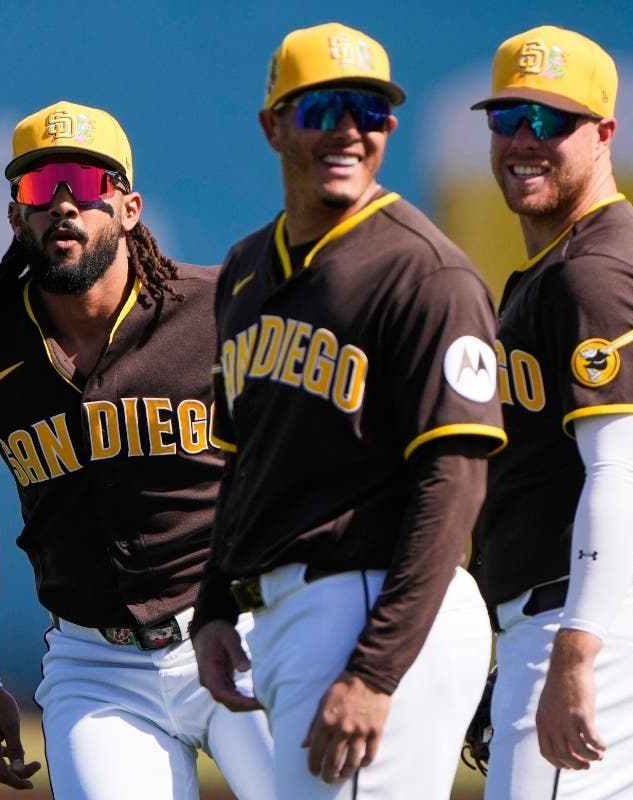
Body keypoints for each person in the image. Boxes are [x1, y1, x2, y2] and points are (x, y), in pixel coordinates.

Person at [0, 100, 273, 798]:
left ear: (128, 208)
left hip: (239, 634)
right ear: (17, 217)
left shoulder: (219, 310)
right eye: (41, 187)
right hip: (96, 666)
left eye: (85, 181)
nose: (64, 203)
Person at [188, 21, 506, 799]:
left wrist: (375, 668)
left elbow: (453, 485)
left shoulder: (424, 273)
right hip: (293, 610)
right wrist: (212, 606)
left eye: (368, 111)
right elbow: (246, 457)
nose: (348, 131)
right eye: (321, 109)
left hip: (372, 603)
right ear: (272, 126)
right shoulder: (244, 273)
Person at [467, 26, 633, 799]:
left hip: (596, 624)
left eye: (550, 122)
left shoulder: (593, 275)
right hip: (604, 615)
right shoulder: (569, 262)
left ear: (604, 133)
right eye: (507, 118)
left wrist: (574, 652)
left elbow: (621, 471)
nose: (523, 140)